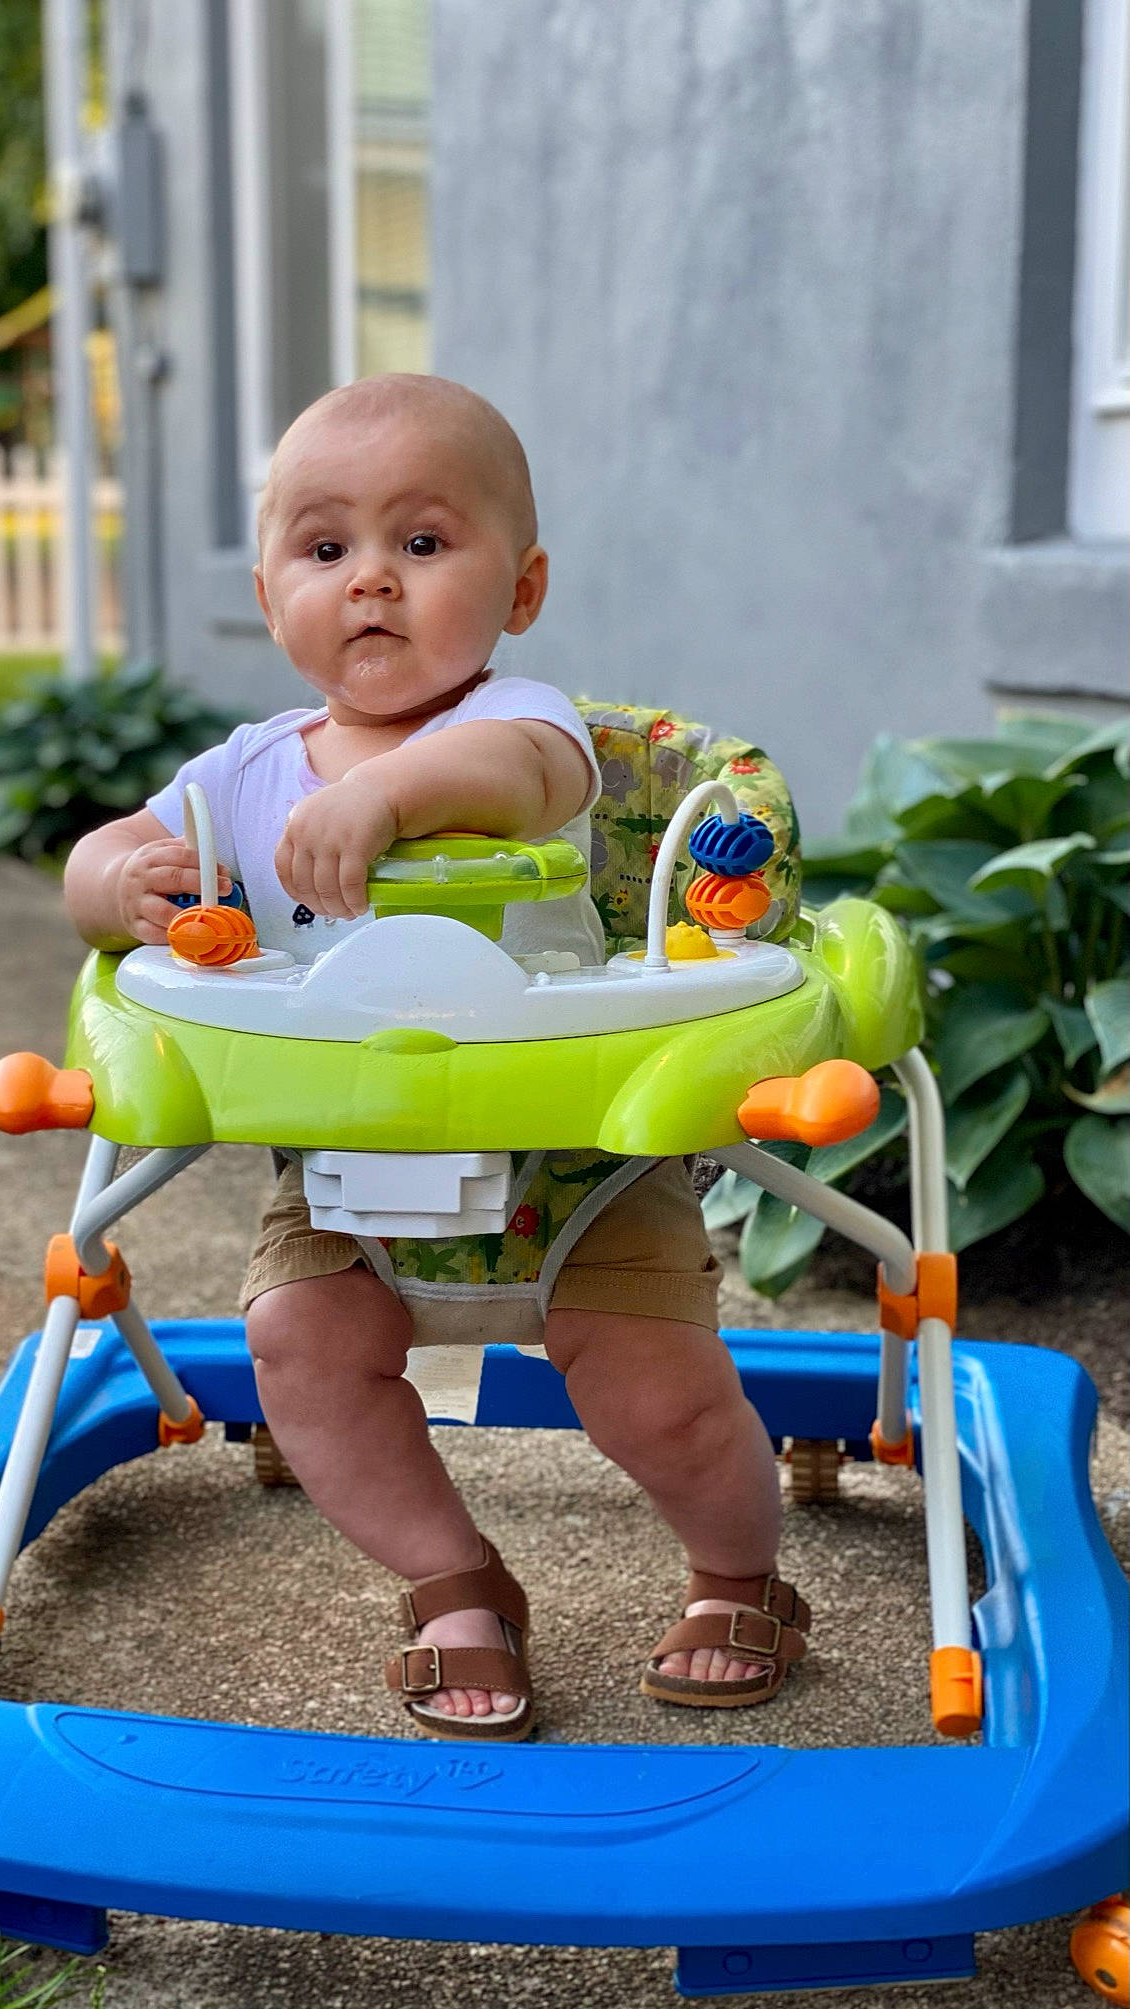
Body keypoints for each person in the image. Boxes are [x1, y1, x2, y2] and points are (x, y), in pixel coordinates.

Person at [64, 374, 809, 1740]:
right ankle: (455, 1584)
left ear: (520, 588)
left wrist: (390, 792)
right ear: (268, 586)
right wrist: (121, 880)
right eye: (326, 548)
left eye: (421, 545)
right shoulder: (237, 778)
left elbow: (519, 781)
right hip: (346, 1158)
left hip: (584, 1155)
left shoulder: (529, 722)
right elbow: (102, 858)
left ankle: (738, 1575)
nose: (372, 584)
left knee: (662, 1400)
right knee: (299, 1353)